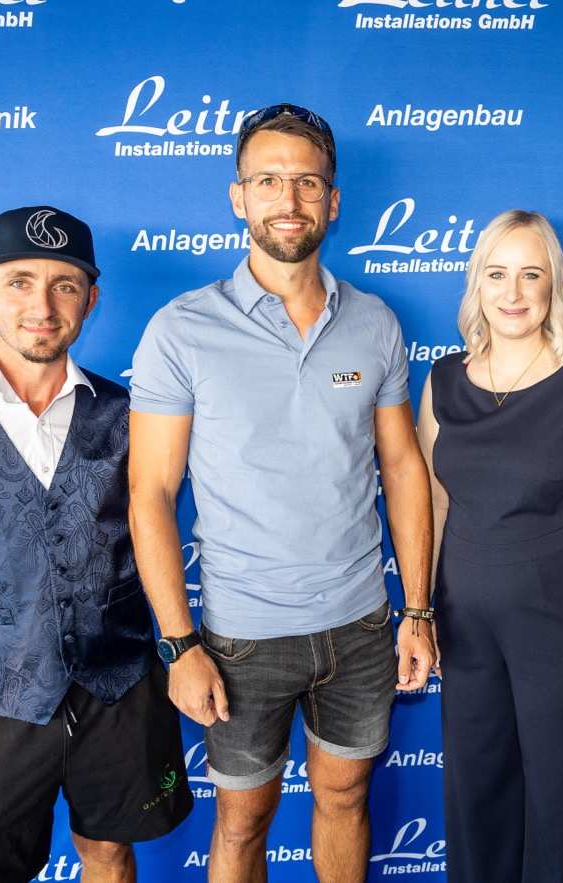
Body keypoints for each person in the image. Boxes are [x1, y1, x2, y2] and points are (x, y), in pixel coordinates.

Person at [127, 103, 436, 883]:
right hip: (241, 637)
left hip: (360, 624)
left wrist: (418, 609)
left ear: (333, 200)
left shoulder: (374, 323)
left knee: (346, 795)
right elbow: (151, 492)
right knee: (242, 821)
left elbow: (404, 467)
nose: (288, 199)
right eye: (268, 181)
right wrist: (180, 644)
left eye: (307, 182)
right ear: (239, 197)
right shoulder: (181, 329)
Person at [0, 206, 192, 883]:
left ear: (90, 300)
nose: (42, 307)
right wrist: (5, 627)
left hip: (117, 684)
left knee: (110, 852)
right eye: (20, 282)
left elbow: (153, 524)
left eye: (64, 285)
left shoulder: (128, 414)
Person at [416, 210, 563, 883]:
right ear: (477, 285)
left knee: (562, 795)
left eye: (530, 275)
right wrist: (421, 611)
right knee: (479, 790)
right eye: (497, 274)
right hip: (466, 628)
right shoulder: (442, 383)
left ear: (553, 287)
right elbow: (435, 505)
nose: (513, 292)